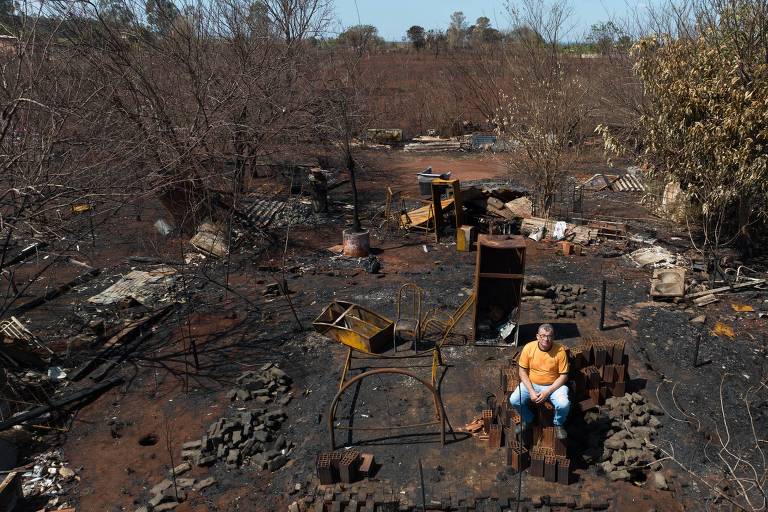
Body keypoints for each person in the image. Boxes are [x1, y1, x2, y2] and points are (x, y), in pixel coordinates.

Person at [509, 323, 570, 439]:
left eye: (549, 336)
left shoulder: (560, 351)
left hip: (554, 386)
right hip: (532, 384)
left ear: (553, 337)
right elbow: (522, 371)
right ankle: (528, 420)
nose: (546, 339)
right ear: (537, 336)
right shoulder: (528, 348)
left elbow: (564, 376)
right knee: (514, 400)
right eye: (543, 336)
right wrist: (531, 391)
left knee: (564, 404)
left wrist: (547, 392)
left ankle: (558, 424)